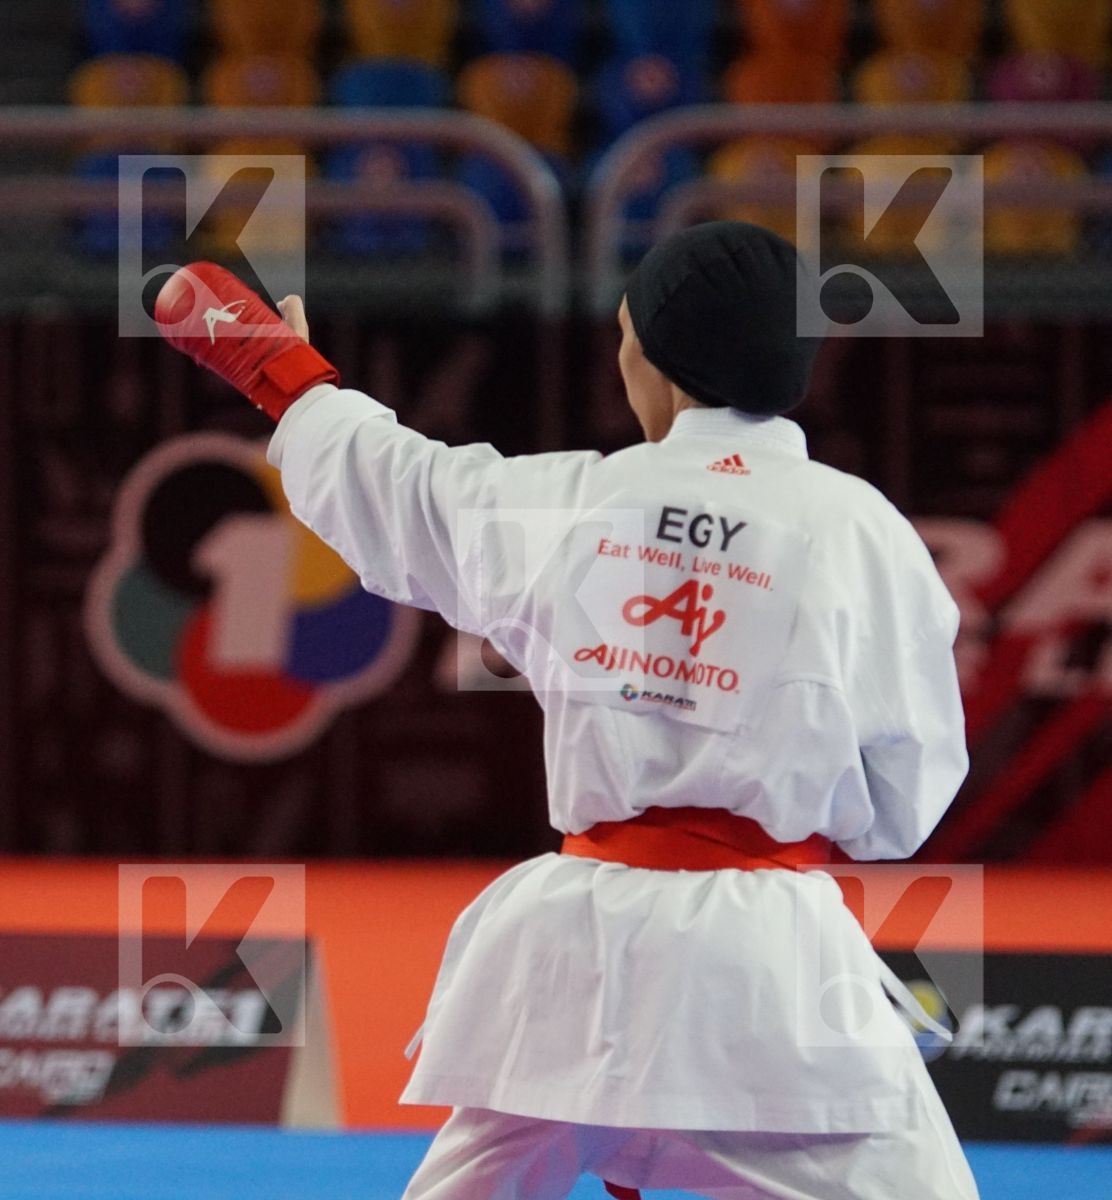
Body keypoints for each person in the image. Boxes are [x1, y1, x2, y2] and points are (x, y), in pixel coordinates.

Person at [152, 223, 979, 1199]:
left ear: (655, 362)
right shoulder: (863, 534)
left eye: (627, 333)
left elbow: (403, 486)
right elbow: (908, 790)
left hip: (577, 961)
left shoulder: (571, 505)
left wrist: (281, 372)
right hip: (770, 974)